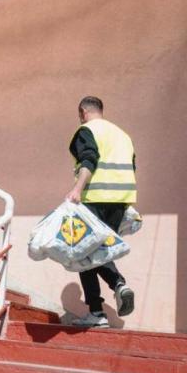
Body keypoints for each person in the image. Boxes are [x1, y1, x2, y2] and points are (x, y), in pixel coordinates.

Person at [66, 96, 136, 327]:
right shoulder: (123, 135)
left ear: (83, 112)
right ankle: (114, 291)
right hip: (120, 201)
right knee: (98, 252)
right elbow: (131, 167)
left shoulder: (87, 131)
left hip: (94, 198)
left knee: (84, 252)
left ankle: (103, 303)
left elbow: (89, 159)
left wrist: (77, 189)